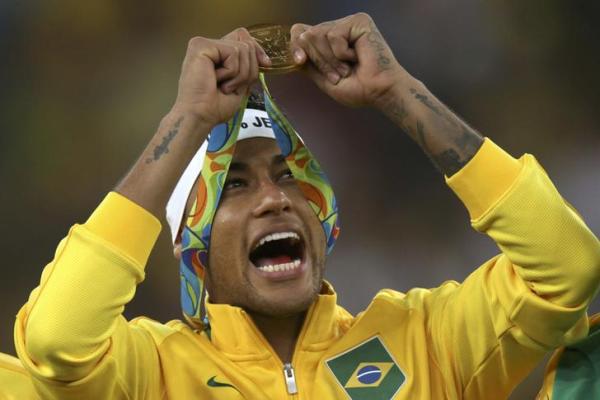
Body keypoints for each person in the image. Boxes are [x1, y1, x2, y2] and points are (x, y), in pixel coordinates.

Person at [13, 13, 600, 400]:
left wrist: (397, 93)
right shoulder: (151, 374)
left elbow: (567, 269)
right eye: (234, 186)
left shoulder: (426, 340)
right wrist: (187, 120)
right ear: (192, 246)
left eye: (291, 178)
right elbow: (56, 339)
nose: (275, 198)